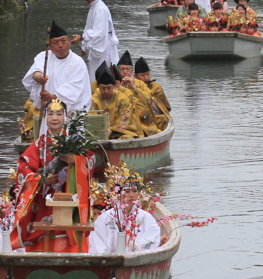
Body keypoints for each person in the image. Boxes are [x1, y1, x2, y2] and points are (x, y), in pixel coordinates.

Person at [12, 98, 78, 250]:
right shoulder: (38, 146)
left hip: (69, 198)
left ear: (65, 117)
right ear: (45, 117)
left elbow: (90, 162)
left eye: (59, 114)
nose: (55, 118)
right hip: (43, 200)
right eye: (51, 114)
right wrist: (40, 179)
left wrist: (76, 160)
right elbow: (23, 167)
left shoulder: (74, 144)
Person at [22, 19, 92, 134]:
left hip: (71, 114)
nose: (60, 45)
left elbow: (74, 87)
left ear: (69, 42)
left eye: (63, 41)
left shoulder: (77, 62)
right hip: (49, 114)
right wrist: (39, 77)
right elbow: (35, 72)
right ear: (49, 46)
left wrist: (52, 97)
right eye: (55, 42)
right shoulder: (43, 56)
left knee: (70, 144)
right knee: (48, 143)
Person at [88, 180, 161, 255]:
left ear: (139, 193)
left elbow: (152, 237)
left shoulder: (145, 217)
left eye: (135, 191)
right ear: (119, 193)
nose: (131, 195)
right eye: (127, 191)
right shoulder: (106, 217)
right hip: (109, 260)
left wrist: (134, 246)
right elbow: (97, 240)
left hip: (136, 258)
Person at [80, 0, 120, 79]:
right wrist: (84, 46)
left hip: (104, 50)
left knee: (103, 79)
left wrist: (81, 38)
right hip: (97, 47)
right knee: (94, 78)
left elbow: (99, 33)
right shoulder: (94, 8)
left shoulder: (100, 9)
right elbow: (89, 28)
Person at [89, 63, 143, 139]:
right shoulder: (93, 99)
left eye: (109, 88)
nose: (106, 91)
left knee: (127, 138)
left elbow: (125, 118)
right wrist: (101, 131)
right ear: (98, 87)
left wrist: (111, 130)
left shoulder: (123, 99)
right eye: (103, 88)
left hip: (120, 132)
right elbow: (92, 117)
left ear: (114, 86)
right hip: (99, 132)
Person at [116, 50, 159, 136]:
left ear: (132, 71)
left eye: (128, 69)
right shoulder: (115, 83)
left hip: (139, 117)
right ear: (118, 71)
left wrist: (133, 87)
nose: (125, 72)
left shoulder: (139, 83)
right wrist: (120, 87)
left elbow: (148, 99)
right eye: (122, 69)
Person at [134, 56, 171, 129]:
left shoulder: (156, 87)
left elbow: (166, 107)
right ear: (135, 76)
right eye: (142, 75)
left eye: (148, 74)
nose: (146, 78)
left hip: (157, 117)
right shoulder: (133, 87)